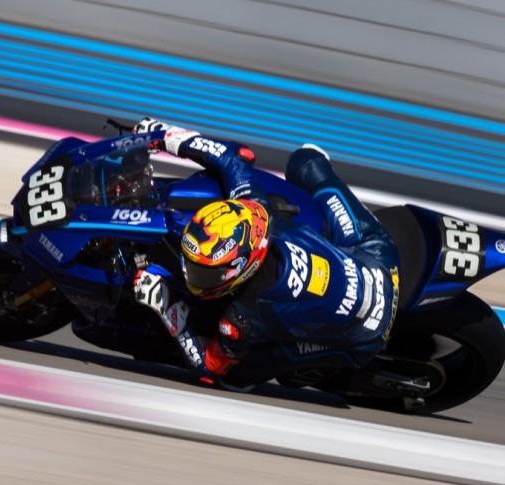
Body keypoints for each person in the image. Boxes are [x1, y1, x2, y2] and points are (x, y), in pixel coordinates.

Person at [130, 117, 400, 390]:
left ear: (242, 269)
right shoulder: (253, 208)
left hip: (368, 327)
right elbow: (233, 156)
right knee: (305, 161)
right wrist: (164, 135)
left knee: (236, 376)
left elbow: (208, 368)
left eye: (203, 273)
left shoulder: (244, 315)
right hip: (372, 256)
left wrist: (167, 306)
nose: (190, 275)